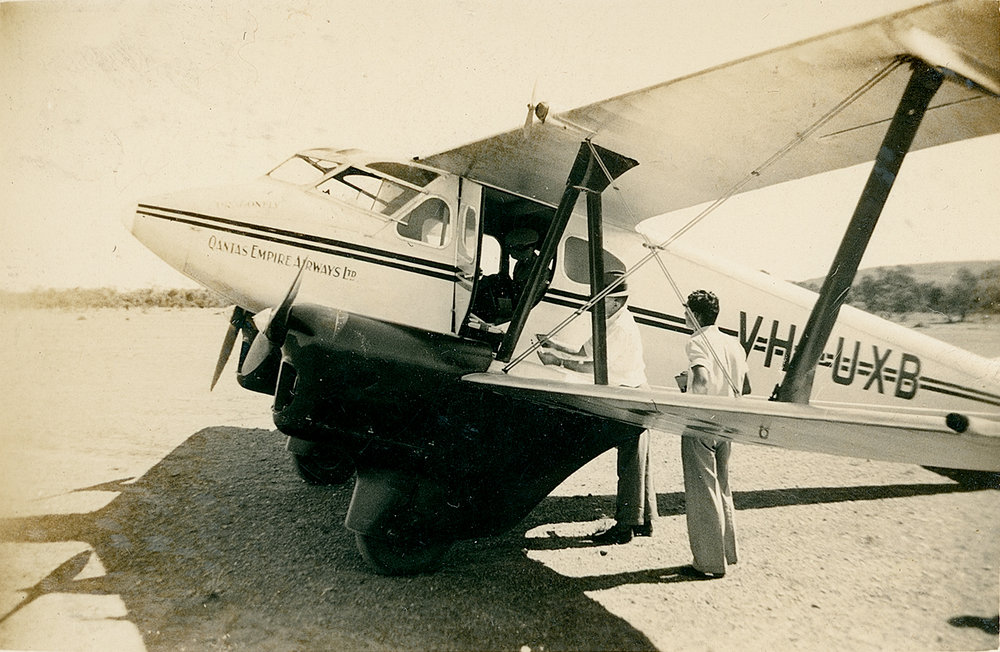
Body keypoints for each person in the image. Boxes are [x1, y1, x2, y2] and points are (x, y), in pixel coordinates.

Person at [537, 270, 657, 544]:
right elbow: (584, 352)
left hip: (631, 396)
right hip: (631, 392)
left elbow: (594, 365)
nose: (596, 303)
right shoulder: (611, 319)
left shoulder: (620, 327)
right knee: (638, 460)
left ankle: (625, 527)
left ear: (616, 301)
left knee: (630, 461)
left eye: (602, 299)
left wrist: (556, 362)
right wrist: (554, 345)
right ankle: (644, 522)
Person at [679, 289, 750, 579]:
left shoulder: (697, 341)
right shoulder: (734, 344)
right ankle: (727, 553)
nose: (684, 316)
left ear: (696, 315)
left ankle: (708, 562)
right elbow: (745, 388)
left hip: (703, 423)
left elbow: (703, 379)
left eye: (686, 311)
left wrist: (689, 399)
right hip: (728, 422)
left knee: (701, 492)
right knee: (722, 486)